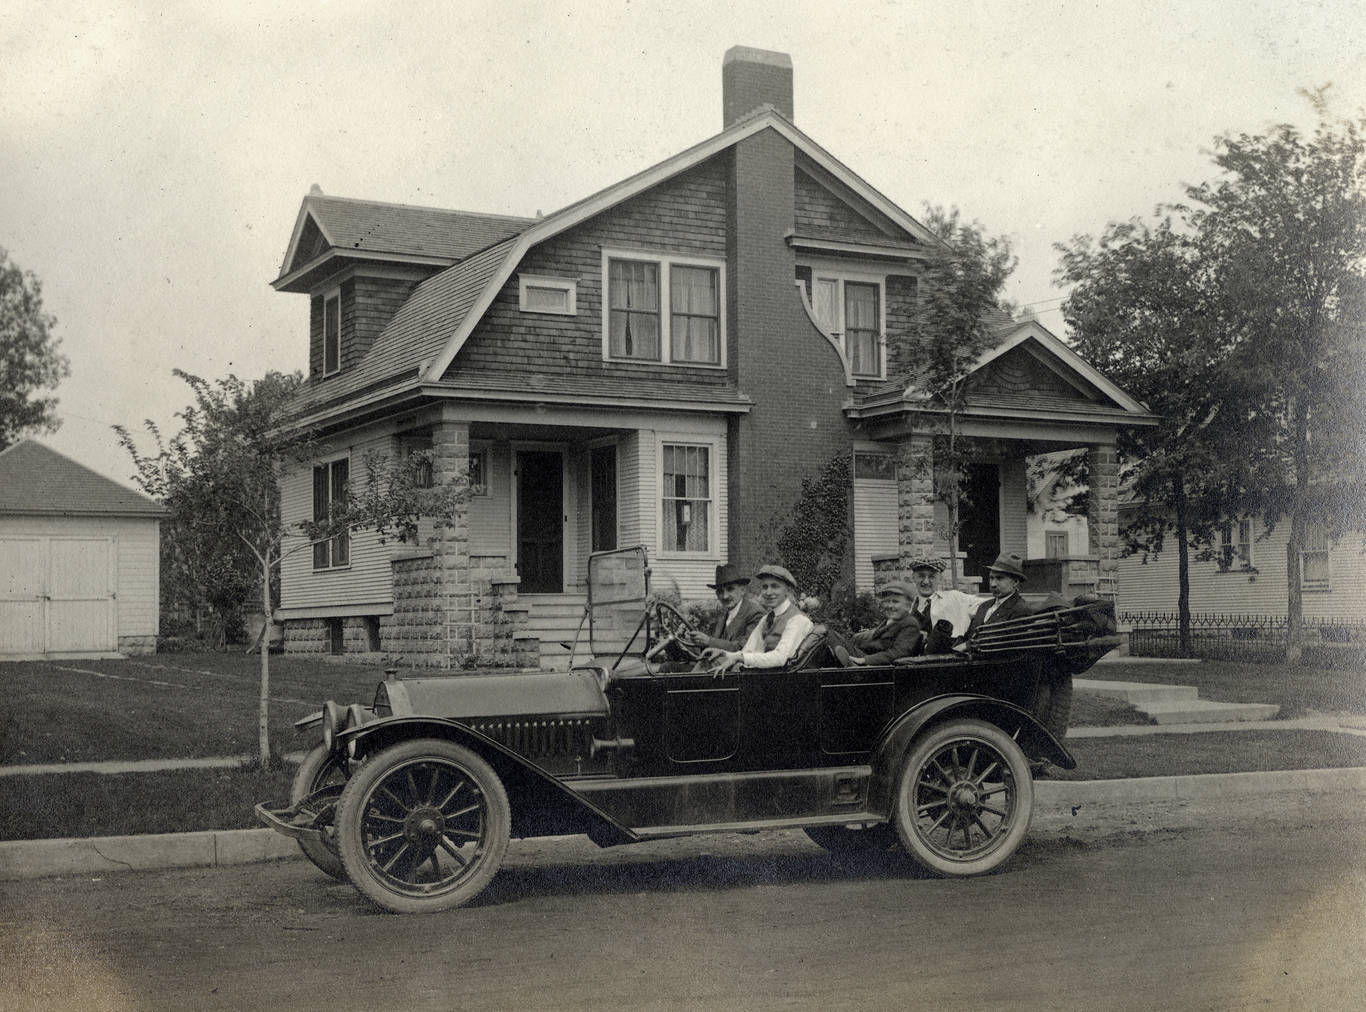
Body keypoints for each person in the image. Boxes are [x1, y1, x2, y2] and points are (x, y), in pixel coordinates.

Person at [703, 564, 814, 673]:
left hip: (782, 682)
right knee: (711, 661)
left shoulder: (798, 620)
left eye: (775, 586)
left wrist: (740, 658)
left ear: (787, 591)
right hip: (764, 677)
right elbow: (748, 651)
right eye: (765, 587)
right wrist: (724, 654)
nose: (769, 592)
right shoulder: (766, 619)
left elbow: (780, 658)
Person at [829, 581, 923, 666]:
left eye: (895, 602)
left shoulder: (910, 624)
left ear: (907, 605)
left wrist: (864, 660)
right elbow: (875, 637)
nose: (890, 606)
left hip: (879, 667)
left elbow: (897, 653)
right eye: (887, 601)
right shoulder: (891, 621)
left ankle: (849, 664)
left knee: (826, 633)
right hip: (867, 658)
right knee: (829, 638)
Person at [904, 556, 982, 653]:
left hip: (946, 658)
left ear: (940, 579)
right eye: (921, 576)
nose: (926, 581)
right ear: (913, 578)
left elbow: (989, 604)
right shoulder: (907, 606)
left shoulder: (955, 598)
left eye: (932, 576)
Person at [681, 562, 765, 653]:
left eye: (730, 589)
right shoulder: (723, 616)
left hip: (737, 666)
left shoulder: (755, 613)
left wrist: (709, 641)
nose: (725, 596)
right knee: (668, 666)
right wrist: (688, 640)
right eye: (721, 592)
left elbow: (745, 648)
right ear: (717, 595)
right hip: (717, 664)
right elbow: (710, 648)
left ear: (742, 590)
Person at [962, 552, 1033, 641]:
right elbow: (968, 637)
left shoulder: (1021, 610)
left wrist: (967, 646)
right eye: (991, 578)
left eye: (999, 578)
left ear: (1015, 582)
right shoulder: (984, 606)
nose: (993, 584)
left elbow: (1006, 645)